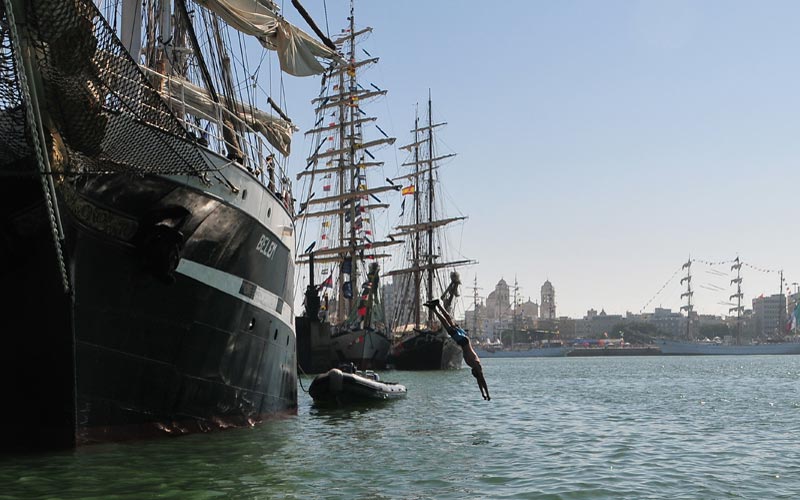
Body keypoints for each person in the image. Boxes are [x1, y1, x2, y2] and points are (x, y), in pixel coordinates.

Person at [424, 299, 490, 401]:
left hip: (464, 339)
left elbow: (479, 381)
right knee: (448, 326)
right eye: (475, 374)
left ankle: (438, 305)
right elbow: (482, 381)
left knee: (451, 322)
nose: (473, 374)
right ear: (476, 372)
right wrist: (487, 394)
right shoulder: (476, 364)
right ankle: (435, 309)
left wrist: (482, 394)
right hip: (463, 341)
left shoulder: (473, 365)